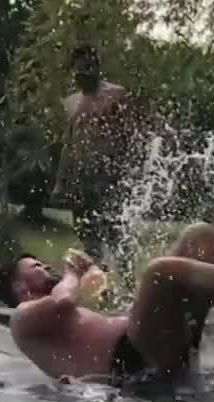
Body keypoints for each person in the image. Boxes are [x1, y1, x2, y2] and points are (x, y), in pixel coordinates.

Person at [0, 223, 214, 386]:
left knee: (198, 236)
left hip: (150, 346)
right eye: (35, 267)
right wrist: (72, 273)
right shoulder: (22, 319)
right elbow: (64, 300)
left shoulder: (51, 320)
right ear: (20, 286)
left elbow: (91, 319)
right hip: (133, 369)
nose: (45, 267)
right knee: (158, 273)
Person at [50, 45, 146, 262]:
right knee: (88, 239)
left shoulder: (116, 95)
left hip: (111, 175)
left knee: (116, 235)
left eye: (87, 67)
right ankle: (99, 286)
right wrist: (60, 181)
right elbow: (68, 144)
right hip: (82, 178)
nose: (82, 73)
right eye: (78, 69)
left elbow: (133, 135)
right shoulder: (71, 103)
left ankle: (128, 284)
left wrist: (132, 172)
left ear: (96, 68)